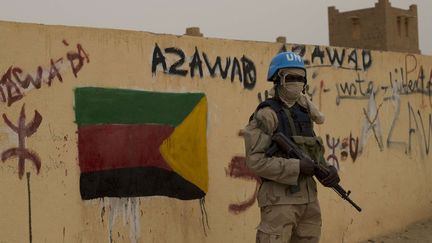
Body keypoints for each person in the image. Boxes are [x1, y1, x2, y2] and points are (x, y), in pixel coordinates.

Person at [243, 51, 340, 243]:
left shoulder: (304, 113)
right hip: (279, 203)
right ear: (278, 80)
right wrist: (296, 167)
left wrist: (327, 169)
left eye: (300, 78)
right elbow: (255, 162)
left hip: (309, 201)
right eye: (290, 77)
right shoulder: (267, 115)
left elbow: (313, 153)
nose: (296, 82)